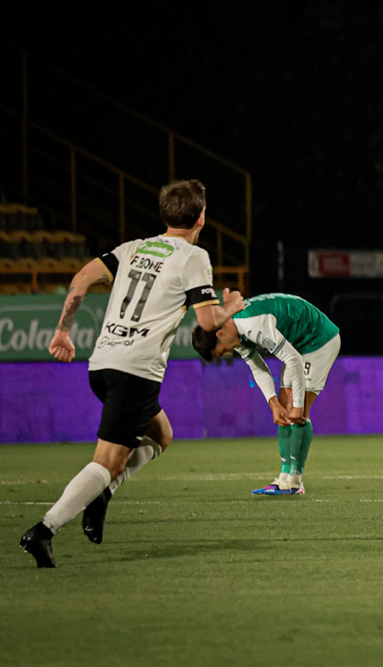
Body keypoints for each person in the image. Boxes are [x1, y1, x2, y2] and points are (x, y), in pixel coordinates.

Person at [20, 179, 245, 567]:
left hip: (102, 364)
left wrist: (63, 331)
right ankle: (43, 531)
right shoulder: (194, 257)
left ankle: (102, 493)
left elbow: (80, 281)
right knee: (106, 462)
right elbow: (208, 323)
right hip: (135, 372)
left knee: (161, 434)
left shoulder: (133, 248)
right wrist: (231, 307)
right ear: (201, 218)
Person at [192, 292, 340, 495]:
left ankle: (295, 481)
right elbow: (258, 368)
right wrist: (273, 404)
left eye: (222, 351)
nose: (227, 353)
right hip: (298, 344)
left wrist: (298, 405)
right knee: (284, 410)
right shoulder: (235, 331)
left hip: (319, 339)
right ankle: (284, 478)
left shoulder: (252, 325)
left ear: (220, 335)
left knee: (298, 411)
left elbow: (294, 360)